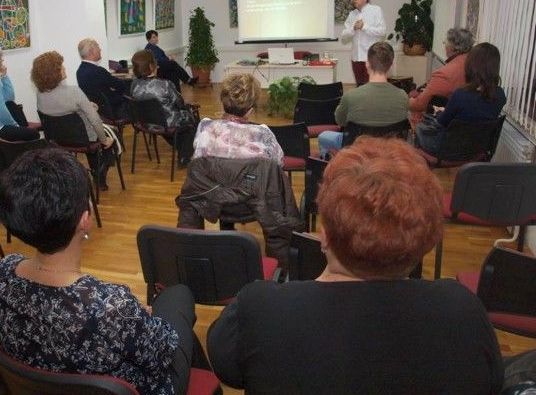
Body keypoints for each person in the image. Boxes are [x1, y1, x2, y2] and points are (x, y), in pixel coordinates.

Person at [207, 137, 504, 395]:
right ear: (426, 242)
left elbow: (228, 370)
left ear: (324, 235)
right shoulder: (463, 311)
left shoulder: (260, 307)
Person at [0, 148, 207, 395]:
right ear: (85, 220)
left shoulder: (3, 273)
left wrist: (133, 320)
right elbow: (164, 354)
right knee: (179, 295)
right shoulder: (111, 307)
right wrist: (135, 319)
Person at [31, 51, 114, 190]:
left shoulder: (40, 95)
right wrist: (104, 140)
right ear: (53, 73)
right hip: (84, 139)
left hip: (58, 140)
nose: (64, 68)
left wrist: (87, 106)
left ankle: (95, 170)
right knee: (111, 137)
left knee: (88, 132)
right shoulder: (74, 91)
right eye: (60, 67)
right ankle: (99, 172)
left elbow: (60, 110)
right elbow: (94, 120)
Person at [317, 42, 408, 158]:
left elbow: (340, 122)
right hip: (389, 152)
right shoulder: (403, 96)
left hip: (357, 150)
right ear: (391, 65)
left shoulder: (350, 96)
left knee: (324, 136)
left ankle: (334, 167)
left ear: (367, 64)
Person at [415, 42, 507, 156]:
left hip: (448, 151)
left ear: (472, 65)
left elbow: (441, 123)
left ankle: (417, 165)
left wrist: (438, 112)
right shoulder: (500, 96)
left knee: (419, 126)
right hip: (476, 150)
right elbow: (477, 114)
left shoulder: (461, 95)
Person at [193, 73, 283, 164]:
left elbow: (198, 157)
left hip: (211, 173)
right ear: (250, 110)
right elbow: (278, 163)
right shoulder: (264, 134)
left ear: (223, 101)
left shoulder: (205, 126)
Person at [130, 49, 196, 167]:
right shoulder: (165, 84)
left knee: (177, 124)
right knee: (192, 118)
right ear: (151, 65)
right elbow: (179, 103)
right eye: (155, 61)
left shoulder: (134, 84)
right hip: (166, 123)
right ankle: (184, 156)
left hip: (146, 122)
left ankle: (181, 147)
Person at [408, 28, 474, 128]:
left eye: (446, 42)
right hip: (468, 123)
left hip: (444, 126)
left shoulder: (444, 74)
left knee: (413, 110)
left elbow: (419, 105)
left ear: (452, 47)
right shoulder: (475, 65)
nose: (444, 45)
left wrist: (407, 100)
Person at [341, 0, 386, 86]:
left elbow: (382, 31)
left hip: (371, 58)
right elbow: (343, 37)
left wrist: (364, 27)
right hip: (356, 58)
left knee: (371, 88)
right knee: (360, 87)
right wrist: (353, 28)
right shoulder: (352, 14)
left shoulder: (376, 10)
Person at [76, 38, 128, 119]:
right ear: (92, 52)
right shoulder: (98, 71)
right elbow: (121, 85)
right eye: (98, 47)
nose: (100, 49)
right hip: (111, 109)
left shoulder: (79, 71)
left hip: (98, 110)